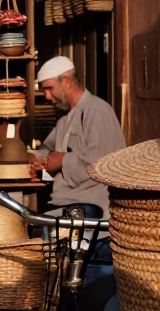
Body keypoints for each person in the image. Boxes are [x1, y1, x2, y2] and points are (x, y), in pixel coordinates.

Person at [30, 55, 125, 215]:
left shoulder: (97, 110)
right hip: (66, 206)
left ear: (66, 82)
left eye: (49, 88)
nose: (46, 96)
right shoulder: (65, 119)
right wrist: (39, 160)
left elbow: (104, 163)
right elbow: (48, 148)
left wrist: (63, 160)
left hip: (90, 210)